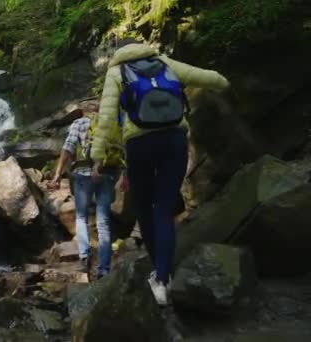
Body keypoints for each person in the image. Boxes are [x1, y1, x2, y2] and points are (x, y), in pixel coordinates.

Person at [91, 43, 229, 305]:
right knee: (164, 209)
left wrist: (98, 155)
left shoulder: (117, 71)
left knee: (144, 209)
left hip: (139, 144)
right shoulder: (165, 63)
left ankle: (160, 276)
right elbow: (209, 78)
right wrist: (223, 81)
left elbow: (107, 117)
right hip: (174, 139)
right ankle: (163, 275)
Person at [49, 103, 119, 279]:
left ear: (84, 112)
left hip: (83, 174)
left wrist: (57, 174)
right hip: (107, 174)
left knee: (81, 217)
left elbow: (68, 148)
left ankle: (85, 258)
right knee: (103, 220)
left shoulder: (79, 123)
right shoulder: (109, 123)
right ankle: (104, 268)